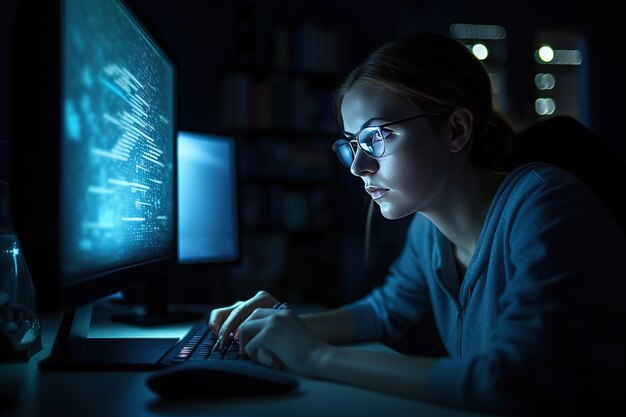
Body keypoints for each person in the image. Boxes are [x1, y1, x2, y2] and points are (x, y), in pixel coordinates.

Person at [209, 33, 626, 416]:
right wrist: (279, 325)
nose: (358, 166)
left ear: (456, 130)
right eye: (352, 144)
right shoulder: (428, 229)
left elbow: (511, 382)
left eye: (376, 138)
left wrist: (316, 357)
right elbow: (383, 311)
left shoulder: (544, 204)